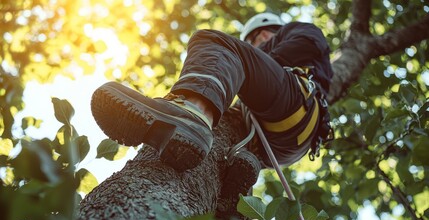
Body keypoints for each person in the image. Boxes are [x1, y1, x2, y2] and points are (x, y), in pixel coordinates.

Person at [91, 12, 333, 174]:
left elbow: (309, 43)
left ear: (275, 30)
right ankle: (232, 198)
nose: (259, 42)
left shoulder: (297, 32)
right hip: (277, 148)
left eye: (263, 36)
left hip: (296, 104)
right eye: (253, 40)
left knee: (216, 42)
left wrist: (252, 56)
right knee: (233, 158)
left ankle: (193, 112)